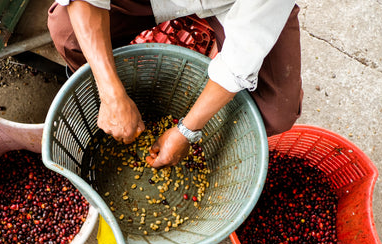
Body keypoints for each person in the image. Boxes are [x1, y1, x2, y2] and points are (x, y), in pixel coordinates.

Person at [48, 0, 303, 168]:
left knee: (275, 113)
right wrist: (112, 93)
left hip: (233, 4)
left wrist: (186, 131)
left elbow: (243, 54)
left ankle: (205, 26)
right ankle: (120, 107)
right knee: (68, 33)